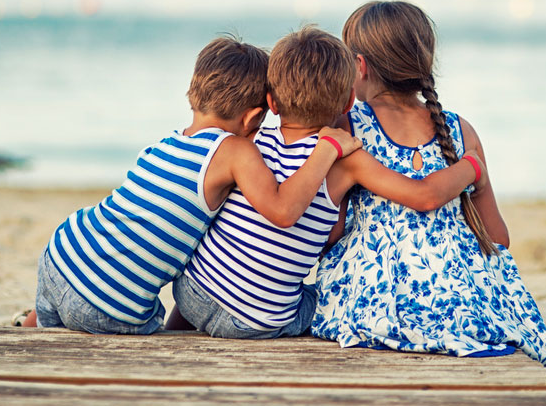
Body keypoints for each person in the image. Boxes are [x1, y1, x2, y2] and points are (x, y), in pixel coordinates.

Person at [24, 36, 359, 334]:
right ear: (253, 117)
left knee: (45, 330)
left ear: (194, 92)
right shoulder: (235, 152)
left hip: (60, 253)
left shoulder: (164, 144)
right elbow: (282, 210)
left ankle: (30, 324)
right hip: (108, 304)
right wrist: (328, 145)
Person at [167, 26, 485, 339]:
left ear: (271, 104)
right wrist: (470, 165)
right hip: (258, 322)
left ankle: (174, 331)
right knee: (319, 298)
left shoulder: (248, 143)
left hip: (193, 296)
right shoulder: (344, 158)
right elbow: (423, 196)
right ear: (349, 103)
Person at [312, 1, 546, 380]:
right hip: (465, 292)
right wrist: (474, 176)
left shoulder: (347, 128)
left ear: (360, 66)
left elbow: (331, 232)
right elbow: (497, 238)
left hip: (377, 294)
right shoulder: (459, 129)